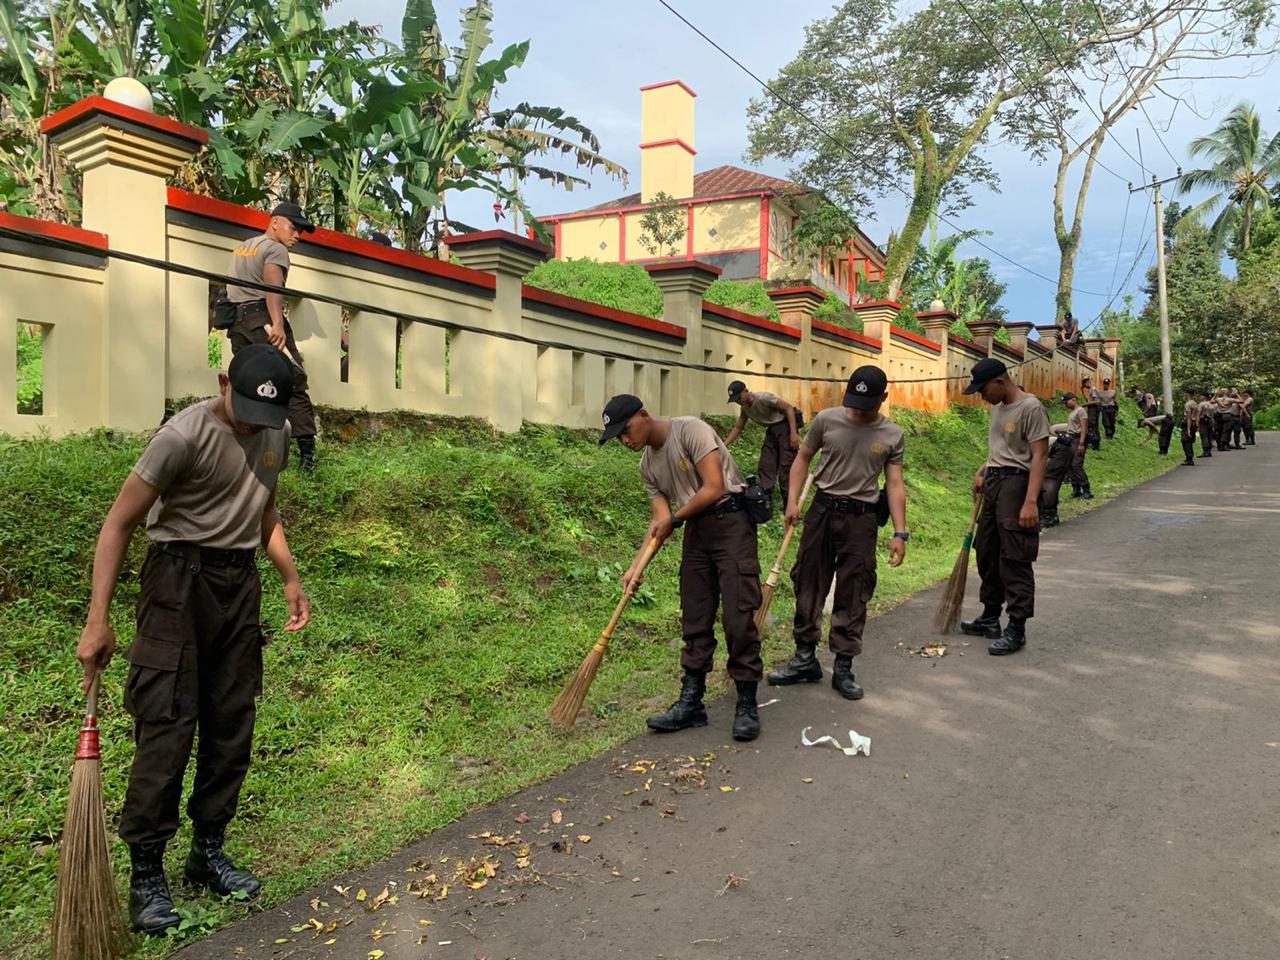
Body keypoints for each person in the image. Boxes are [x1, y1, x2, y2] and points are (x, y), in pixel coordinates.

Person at [74, 344, 311, 935]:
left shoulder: (272, 433)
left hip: (238, 584)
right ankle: (147, 873)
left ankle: (207, 851)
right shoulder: (181, 437)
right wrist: (97, 618)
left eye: (269, 419)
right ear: (223, 381)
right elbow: (119, 523)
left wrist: (289, 576)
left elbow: (264, 513)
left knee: (232, 721)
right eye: (250, 414)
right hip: (177, 582)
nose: (258, 429)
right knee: (168, 721)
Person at [601, 394, 764, 742]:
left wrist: (675, 518)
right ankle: (691, 703)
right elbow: (659, 520)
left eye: (626, 430)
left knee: (738, 616)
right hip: (696, 532)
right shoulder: (647, 466)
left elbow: (714, 486)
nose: (625, 440)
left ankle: (746, 702)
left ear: (643, 415)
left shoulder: (691, 430)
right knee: (695, 616)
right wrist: (636, 566)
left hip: (731, 521)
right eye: (618, 437)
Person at [767, 366, 907, 700]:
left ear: (883, 399)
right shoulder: (827, 420)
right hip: (822, 511)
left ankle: (843, 666)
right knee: (808, 581)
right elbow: (802, 458)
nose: (856, 409)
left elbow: (896, 484)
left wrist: (900, 533)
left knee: (854, 589)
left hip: (862, 519)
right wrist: (791, 502)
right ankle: (805, 659)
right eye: (853, 401)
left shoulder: (892, 434)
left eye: (865, 404)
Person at [959, 359, 1049, 656]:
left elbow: (1038, 456)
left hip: (1017, 486)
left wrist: (1031, 501)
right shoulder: (997, 408)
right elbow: (1000, 448)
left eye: (983, 390)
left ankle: (1017, 627)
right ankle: (989, 617)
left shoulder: (1031, 408)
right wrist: (983, 470)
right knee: (987, 552)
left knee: (1014, 556)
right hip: (994, 482)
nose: (982, 397)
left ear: (999, 381)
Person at [225, 201, 320, 471]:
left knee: (246, 383)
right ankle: (307, 458)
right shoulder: (275, 249)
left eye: (300, 230)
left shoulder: (244, 246)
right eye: (293, 227)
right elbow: (271, 287)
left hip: (239, 324)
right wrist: (277, 323)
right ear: (275, 222)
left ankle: (242, 448)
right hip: (263, 322)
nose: (297, 235)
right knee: (293, 379)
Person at [723, 380, 802, 510]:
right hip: (771, 430)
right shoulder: (745, 409)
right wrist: (724, 444)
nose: (738, 401)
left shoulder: (764, 398)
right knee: (766, 464)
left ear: (745, 391)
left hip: (784, 426)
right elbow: (738, 427)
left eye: (738, 397)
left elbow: (788, 408)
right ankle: (766, 500)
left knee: (786, 467)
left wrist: (793, 433)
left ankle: (789, 504)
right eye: (735, 400)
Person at [1039, 392, 1089, 528]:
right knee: (1070, 467)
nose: (1065, 405)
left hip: (1075, 440)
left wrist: (1081, 443)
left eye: (1067, 402)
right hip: (1068, 441)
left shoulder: (1081, 411)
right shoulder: (1073, 412)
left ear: (1073, 399)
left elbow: (1084, 427)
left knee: (1073, 466)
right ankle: (1076, 489)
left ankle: (1086, 490)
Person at [1081, 376, 1102, 451]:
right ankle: (1095, 444)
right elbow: (1090, 400)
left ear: (1087, 383)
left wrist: (1085, 404)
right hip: (1092, 409)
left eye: (1085, 385)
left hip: (1093, 409)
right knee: (1094, 426)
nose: (1085, 387)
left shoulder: (1093, 389)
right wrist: (1082, 392)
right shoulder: (1092, 390)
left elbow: (1096, 401)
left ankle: (1094, 443)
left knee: (1092, 425)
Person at [1180, 388, 1199, 466]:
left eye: (1185, 394)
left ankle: (1189, 459)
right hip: (1193, 423)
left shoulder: (1188, 404)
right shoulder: (1195, 403)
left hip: (1189, 424)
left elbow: (1188, 417)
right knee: (1189, 441)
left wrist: (1188, 429)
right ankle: (1189, 458)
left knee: (1185, 441)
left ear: (1187, 394)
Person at [1197, 391, 1216, 458]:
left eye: (1200, 396)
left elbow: (1198, 414)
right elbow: (1213, 415)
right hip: (1210, 421)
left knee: (1204, 436)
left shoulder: (1201, 404)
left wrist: (1197, 423)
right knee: (1209, 436)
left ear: (1203, 397)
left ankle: (1205, 451)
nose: (1199, 397)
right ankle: (1209, 451)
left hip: (1203, 421)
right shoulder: (1211, 405)